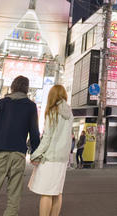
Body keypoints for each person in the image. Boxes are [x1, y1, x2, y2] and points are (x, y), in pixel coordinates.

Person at [0, 75, 40, 216]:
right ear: (26, 88)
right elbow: (34, 134)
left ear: (13, 86)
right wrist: (36, 154)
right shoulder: (31, 106)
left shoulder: (2, 103)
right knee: (14, 195)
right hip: (18, 154)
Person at [29, 85, 73, 216]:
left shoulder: (53, 112)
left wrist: (35, 154)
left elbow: (47, 137)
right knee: (57, 192)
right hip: (62, 159)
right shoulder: (69, 113)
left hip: (51, 158)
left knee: (46, 193)